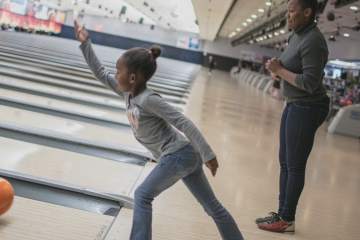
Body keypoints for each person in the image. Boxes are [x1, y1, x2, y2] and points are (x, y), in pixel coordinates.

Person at [73, 20, 244, 240]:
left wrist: (208, 153)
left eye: (119, 72)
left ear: (133, 78)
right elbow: (100, 73)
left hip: (179, 155)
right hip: (184, 155)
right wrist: (86, 43)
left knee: (143, 195)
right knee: (212, 207)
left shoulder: (148, 99)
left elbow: (183, 122)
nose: (115, 75)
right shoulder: (127, 93)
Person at [256, 0, 330, 233]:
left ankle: (287, 219)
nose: (288, 16)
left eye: (292, 11)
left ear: (307, 12)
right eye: (287, 11)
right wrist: (277, 72)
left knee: (295, 165)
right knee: (285, 162)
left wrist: (279, 70)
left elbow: (309, 83)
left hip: (308, 107)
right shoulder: (296, 35)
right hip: (295, 104)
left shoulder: (314, 41)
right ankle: (281, 213)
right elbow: (292, 70)